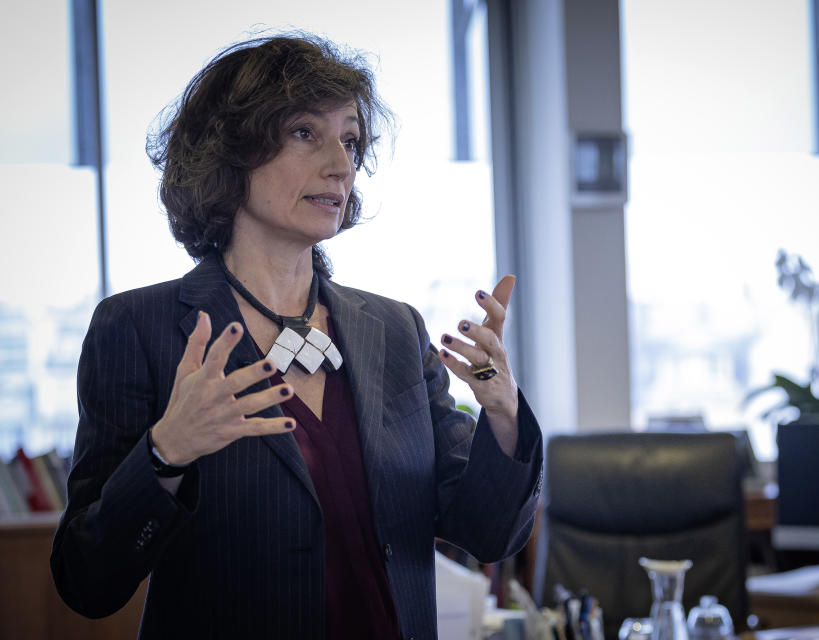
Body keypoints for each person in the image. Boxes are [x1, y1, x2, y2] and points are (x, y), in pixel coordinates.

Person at [50, 33, 542, 640]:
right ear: (229, 151)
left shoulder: (393, 330)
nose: (340, 163)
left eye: (351, 139)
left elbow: (488, 534)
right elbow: (87, 582)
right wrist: (165, 452)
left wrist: (503, 414)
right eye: (306, 132)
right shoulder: (137, 328)